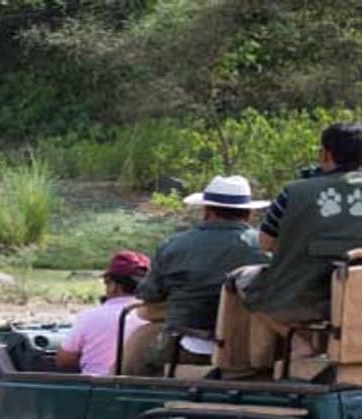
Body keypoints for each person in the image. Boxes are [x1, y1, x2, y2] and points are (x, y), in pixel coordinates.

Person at [226, 122, 362, 369]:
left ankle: (298, 342)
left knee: (244, 280)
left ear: (325, 154)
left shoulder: (294, 192)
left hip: (301, 295)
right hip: (356, 295)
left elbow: (266, 243)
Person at [125, 175, 270, 375]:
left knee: (139, 347)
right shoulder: (265, 249)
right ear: (248, 214)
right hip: (248, 347)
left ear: (206, 211)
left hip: (183, 346)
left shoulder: (173, 246)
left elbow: (150, 297)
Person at [57, 250, 151, 376]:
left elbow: (64, 360)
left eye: (106, 283)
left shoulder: (90, 317)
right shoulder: (156, 318)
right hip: (143, 389)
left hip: (95, 389)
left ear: (114, 286)